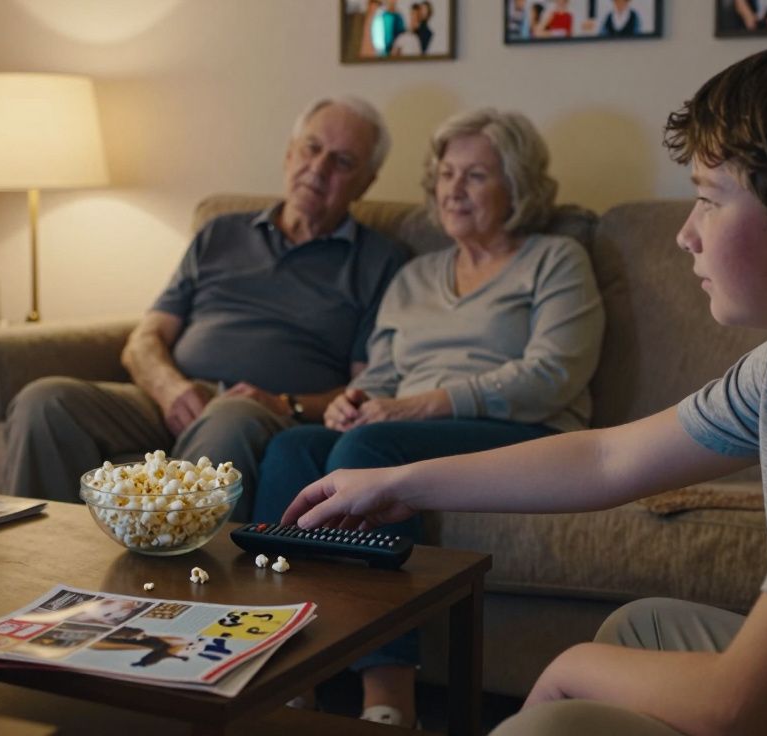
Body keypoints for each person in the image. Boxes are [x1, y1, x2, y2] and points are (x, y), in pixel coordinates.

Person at [280, 35, 767, 735]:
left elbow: (750, 707)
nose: (686, 232)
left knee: (566, 703)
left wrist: (570, 669)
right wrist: (400, 483)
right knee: (641, 629)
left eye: (710, 197)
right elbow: (608, 459)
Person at [256, 108, 603, 729]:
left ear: (517, 186)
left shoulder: (556, 259)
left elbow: (553, 375)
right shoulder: (416, 275)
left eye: (475, 175)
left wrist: (421, 404)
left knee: (367, 454)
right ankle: (290, 678)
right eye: (446, 174)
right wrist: (354, 399)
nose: (453, 189)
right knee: (292, 451)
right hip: (405, 428)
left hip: (521, 431)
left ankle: (389, 702)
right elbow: (384, 373)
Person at [1, 97, 407, 519]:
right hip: (173, 397)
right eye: (311, 147)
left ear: (366, 182)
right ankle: (41, 565)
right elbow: (145, 338)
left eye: (342, 161)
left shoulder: (379, 262)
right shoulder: (220, 233)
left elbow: (366, 390)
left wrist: (285, 403)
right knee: (45, 401)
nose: (318, 169)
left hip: (260, 412)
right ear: (290, 153)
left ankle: (171, 574)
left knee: (229, 415)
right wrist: (169, 388)